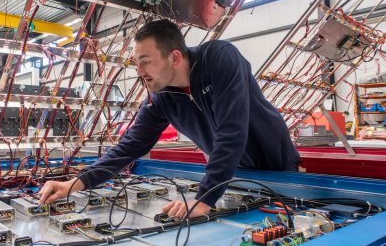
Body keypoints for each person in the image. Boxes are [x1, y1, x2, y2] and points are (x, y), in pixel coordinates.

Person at [39, 19, 300, 218]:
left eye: (146, 62)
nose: (139, 72)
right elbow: (130, 145)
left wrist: (203, 199)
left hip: (280, 169)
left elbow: (231, 131)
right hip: (236, 177)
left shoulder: (220, 59)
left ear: (174, 57)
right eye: (136, 63)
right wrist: (76, 183)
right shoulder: (160, 98)